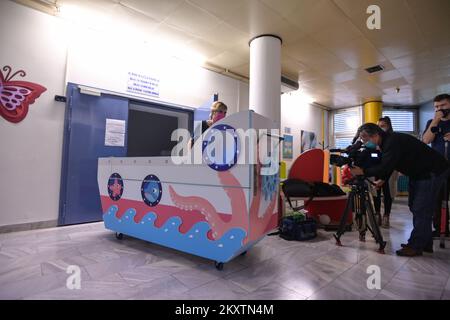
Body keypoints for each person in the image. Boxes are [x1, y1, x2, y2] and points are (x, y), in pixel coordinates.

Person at [350, 123, 449, 257]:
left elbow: (385, 165)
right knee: (415, 206)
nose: (364, 142)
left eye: (365, 139)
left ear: (376, 135)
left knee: (421, 208)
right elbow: (392, 163)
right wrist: (383, 179)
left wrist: (363, 171)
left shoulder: (392, 142)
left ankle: (416, 246)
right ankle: (425, 243)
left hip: (431, 172)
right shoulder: (387, 142)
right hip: (418, 173)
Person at [422, 94, 450, 237]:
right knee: (437, 199)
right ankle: (439, 228)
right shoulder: (432, 122)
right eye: (436, 107)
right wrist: (436, 120)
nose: (440, 109)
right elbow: (426, 140)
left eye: (443, 105)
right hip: (438, 167)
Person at [373, 116, 397, 228]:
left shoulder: (392, 138)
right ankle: (377, 214)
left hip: (390, 169)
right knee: (376, 191)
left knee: (388, 193)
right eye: (378, 126)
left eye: (383, 126)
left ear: (389, 126)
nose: (380, 128)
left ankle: (386, 216)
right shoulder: (375, 139)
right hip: (377, 168)